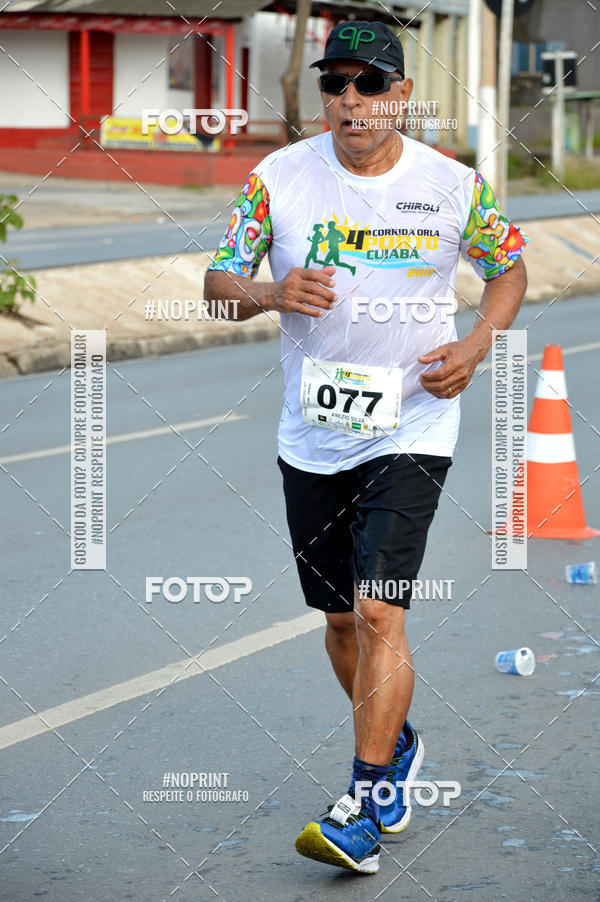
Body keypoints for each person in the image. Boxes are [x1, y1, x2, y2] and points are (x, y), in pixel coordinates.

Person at [204, 19, 528, 876]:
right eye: (335, 85)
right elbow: (217, 284)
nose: (352, 100)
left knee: (381, 608)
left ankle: (364, 798)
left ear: (402, 95)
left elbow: (509, 269)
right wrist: (269, 291)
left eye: (371, 84)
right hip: (312, 434)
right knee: (342, 621)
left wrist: (478, 342)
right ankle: (398, 738)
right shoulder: (277, 178)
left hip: (415, 422)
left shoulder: (454, 186)